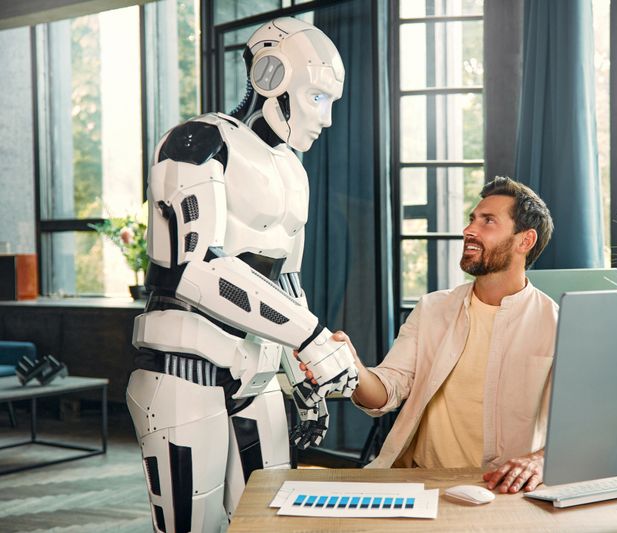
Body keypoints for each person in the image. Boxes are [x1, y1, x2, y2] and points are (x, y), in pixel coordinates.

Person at [126, 18, 359, 533]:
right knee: (195, 523)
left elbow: (286, 279)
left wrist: (302, 371)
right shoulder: (197, 142)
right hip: (187, 364)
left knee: (272, 518)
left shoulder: (293, 170)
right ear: (273, 75)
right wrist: (312, 337)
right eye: (317, 98)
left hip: (258, 369)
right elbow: (197, 269)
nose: (326, 117)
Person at [300, 176, 558, 494]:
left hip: (502, 492)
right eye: (471, 219)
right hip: (420, 483)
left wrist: (542, 459)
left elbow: (583, 426)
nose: (469, 230)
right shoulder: (432, 308)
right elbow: (385, 393)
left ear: (525, 241)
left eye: (488, 221)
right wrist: (353, 368)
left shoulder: (556, 324)